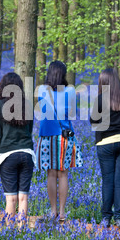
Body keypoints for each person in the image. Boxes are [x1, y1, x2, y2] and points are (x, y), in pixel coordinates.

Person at [89, 68, 120, 229]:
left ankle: (106, 218)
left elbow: (93, 121)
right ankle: (119, 218)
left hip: (106, 143)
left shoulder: (100, 99)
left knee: (108, 180)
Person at [36, 60, 83, 223]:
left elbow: (42, 111)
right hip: (64, 136)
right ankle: (62, 213)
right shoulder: (70, 91)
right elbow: (71, 114)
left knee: (51, 173)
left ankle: (53, 211)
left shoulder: (42, 89)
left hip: (47, 135)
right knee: (63, 174)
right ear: (63, 74)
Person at [0, 72, 35, 225]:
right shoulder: (27, 105)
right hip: (27, 154)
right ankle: (22, 230)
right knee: (23, 196)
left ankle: (10, 233)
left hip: (7, 155)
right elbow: (30, 131)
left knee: (11, 198)